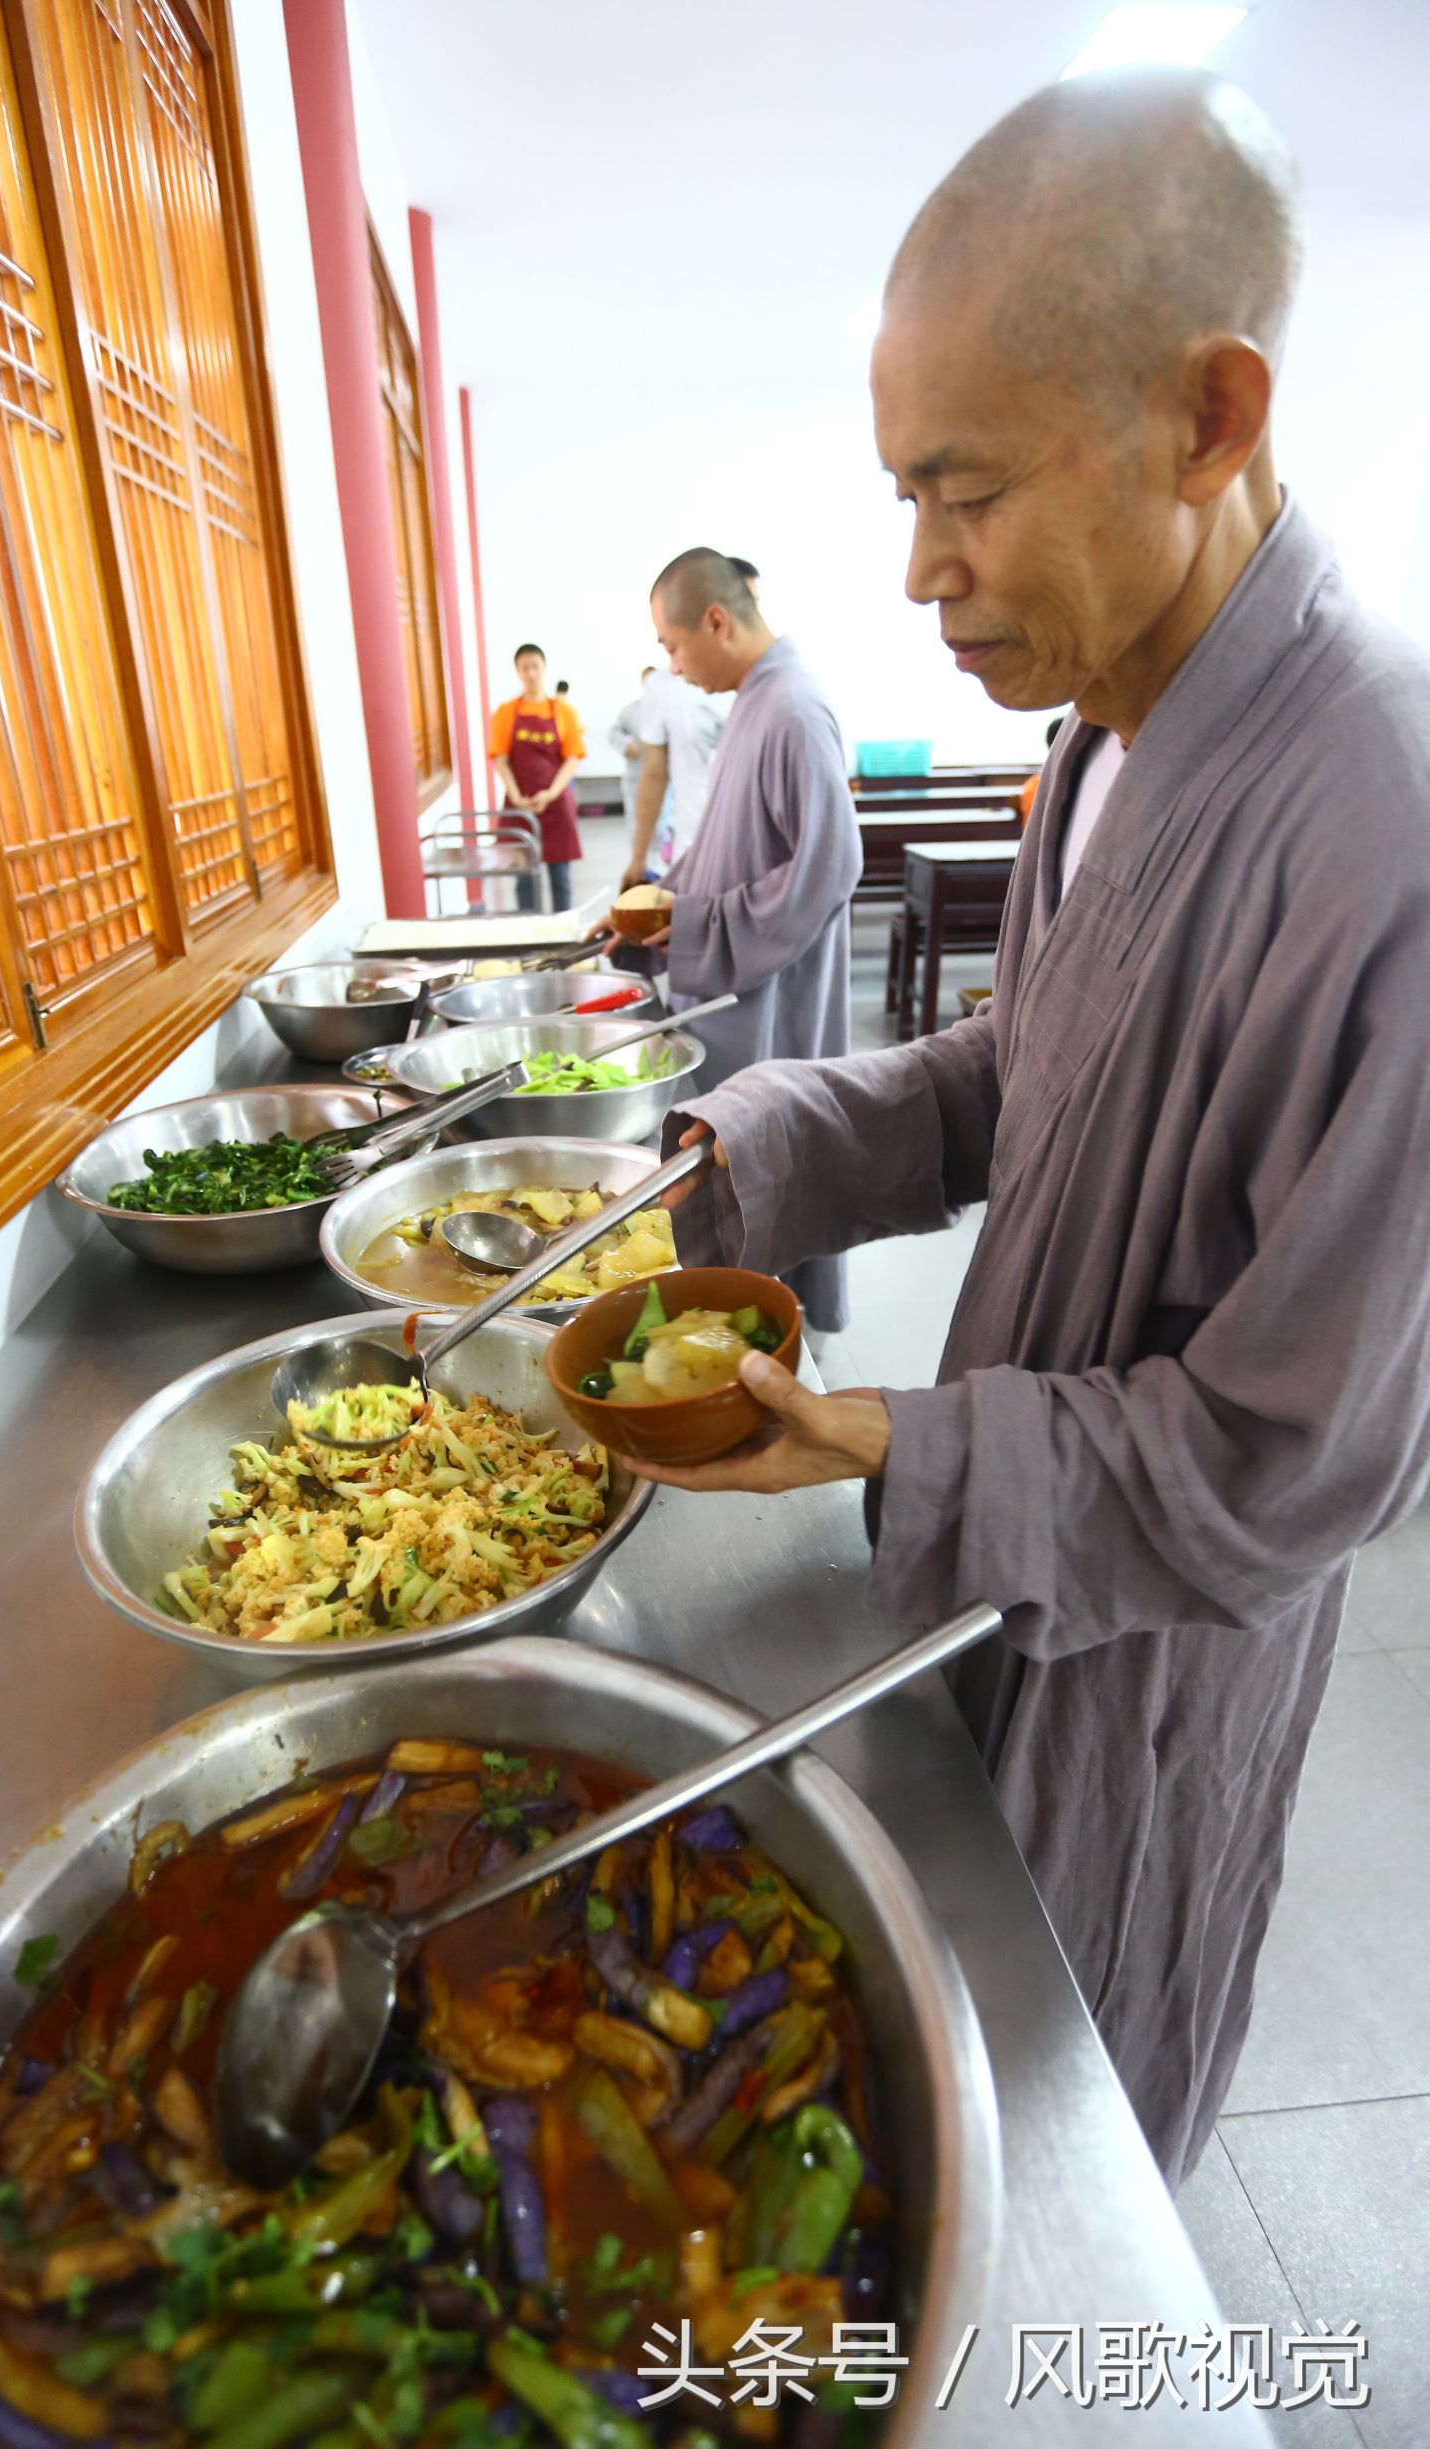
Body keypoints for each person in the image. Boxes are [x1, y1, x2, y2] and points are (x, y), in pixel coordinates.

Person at [635, 68, 1430, 2190]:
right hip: (1008, 1554)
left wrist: (903, 1444)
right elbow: (1017, 1080)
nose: (918, 569)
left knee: (1073, 2119)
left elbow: (1296, 1463)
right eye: (905, 496)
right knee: (935, 2075)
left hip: (1157, 1663)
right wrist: (739, 1142)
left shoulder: (1386, 824)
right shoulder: (1095, 743)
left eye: (963, 491)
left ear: (1208, 415)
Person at [598, 547, 862, 1332]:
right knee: (727, 1156)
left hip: (772, 991)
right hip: (734, 975)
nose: (673, 669)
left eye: (674, 646)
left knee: (763, 1150)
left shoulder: (792, 707)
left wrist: (701, 923)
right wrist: (659, 908)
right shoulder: (755, 697)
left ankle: (758, 1319)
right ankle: (730, 1303)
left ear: (717, 620)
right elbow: (727, 840)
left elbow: (828, 867)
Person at [488, 644, 585, 912]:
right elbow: (500, 760)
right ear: (517, 672)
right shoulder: (505, 713)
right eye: (524, 668)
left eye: (535, 666)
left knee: (560, 877)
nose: (530, 673)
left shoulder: (564, 712)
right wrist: (517, 795)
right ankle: (528, 931)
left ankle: (564, 933)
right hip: (519, 804)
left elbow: (572, 758)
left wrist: (551, 793)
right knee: (524, 878)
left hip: (555, 803)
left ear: (544, 668)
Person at [622, 660, 728, 888]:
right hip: (688, 853)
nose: (675, 666)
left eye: (674, 646)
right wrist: (638, 858)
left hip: (742, 858)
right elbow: (653, 774)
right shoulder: (661, 686)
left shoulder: (755, 685)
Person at [609, 665, 659, 842]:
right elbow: (613, 734)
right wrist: (626, 746)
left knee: (663, 829)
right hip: (636, 779)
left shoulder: (669, 709)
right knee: (637, 827)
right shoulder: (631, 711)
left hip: (664, 781)